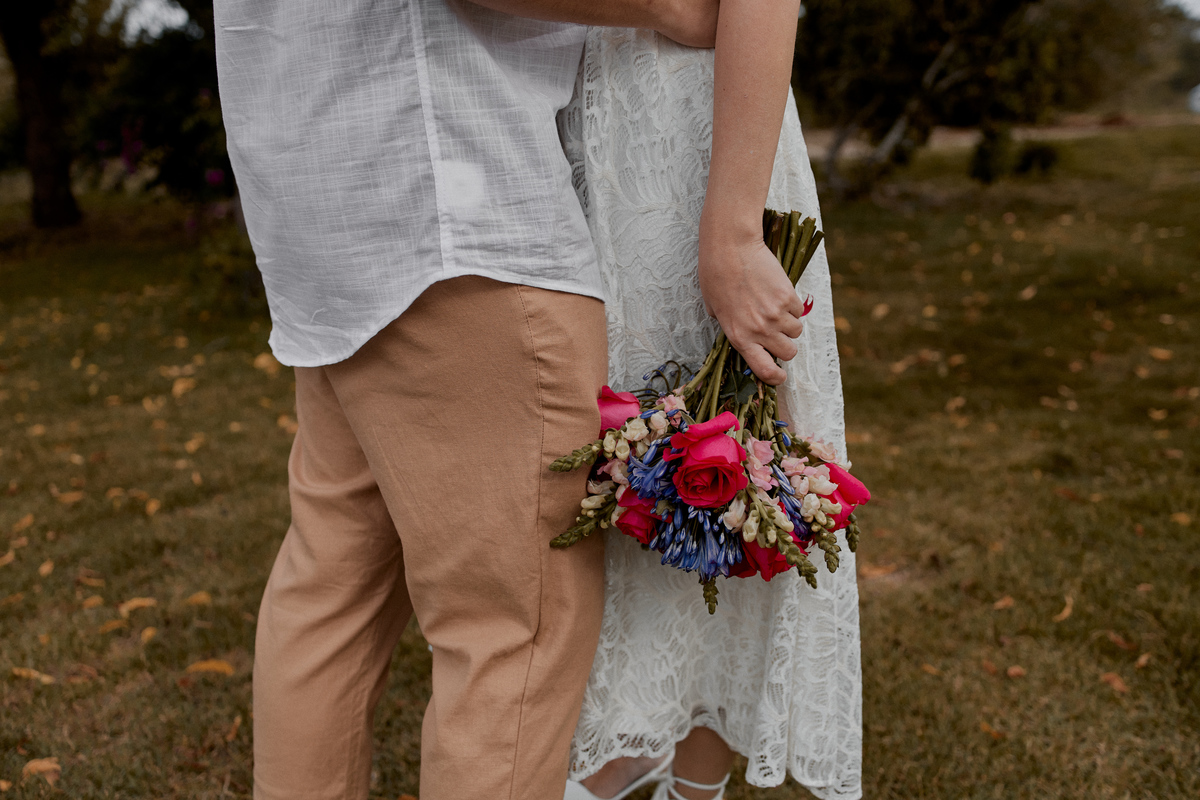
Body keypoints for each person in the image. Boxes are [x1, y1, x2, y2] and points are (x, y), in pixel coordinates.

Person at [212, 1, 722, 798]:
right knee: (512, 634)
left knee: (332, 589)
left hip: (330, 209)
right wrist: (669, 9)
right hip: (456, 212)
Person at [557, 2, 863, 799]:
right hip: (572, 135)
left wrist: (730, 229)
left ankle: (687, 779)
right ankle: (624, 750)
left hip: (695, 133)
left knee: (736, 467)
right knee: (612, 469)